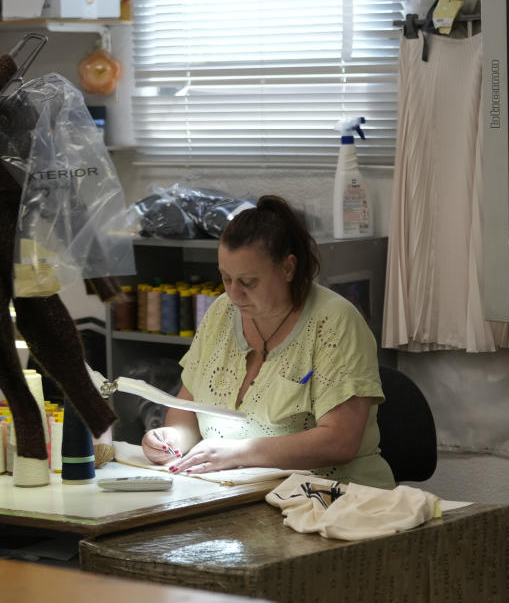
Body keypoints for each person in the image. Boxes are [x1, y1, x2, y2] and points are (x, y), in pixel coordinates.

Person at [141, 195, 394, 489]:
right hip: (241, 493)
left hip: (334, 496)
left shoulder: (334, 322)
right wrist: (171, 440)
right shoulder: (221, 313)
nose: (235, 294)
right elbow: (185, 411)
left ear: (288, 268)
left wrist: (239, 453)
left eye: (249, 282)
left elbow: (339, 441)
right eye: (226, 279)